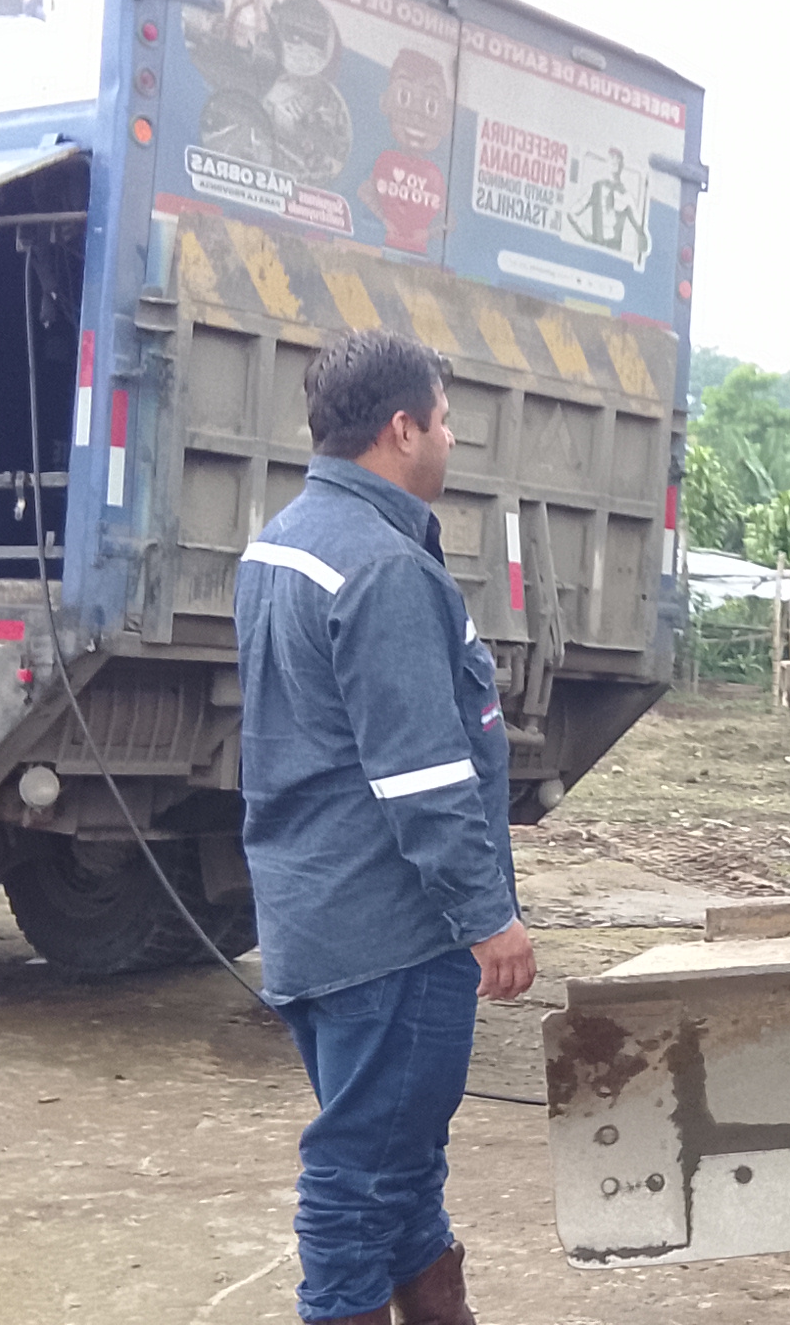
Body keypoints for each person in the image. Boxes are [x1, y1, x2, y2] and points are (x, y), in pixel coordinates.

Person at [236, 329, 538, 1325]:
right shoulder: (380, 567)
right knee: (360, 1173)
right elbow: (426, 775)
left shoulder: (283, 541)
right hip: (392, 935)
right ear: (402, 429)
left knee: (403, 1162)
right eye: (444, 421)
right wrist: (486, 917)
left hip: (314, 916)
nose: (450, 439)